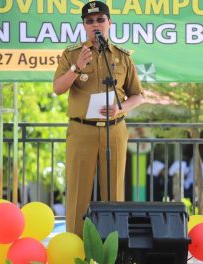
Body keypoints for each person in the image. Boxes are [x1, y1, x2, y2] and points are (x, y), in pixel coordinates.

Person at [53, 1, 143, 237]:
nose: (95, 25)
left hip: (114, 130)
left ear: (109, 24)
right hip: (82, 131)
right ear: (83, 26)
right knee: (77, 195)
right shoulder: (72, 54)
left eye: (100, 20)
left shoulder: (122, 57)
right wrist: (76, 68)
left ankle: (112, 249)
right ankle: (74, 248)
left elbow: (138, 96)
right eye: (89, 21)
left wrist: (120, 109)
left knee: (114, 194)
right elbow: (57, 89)